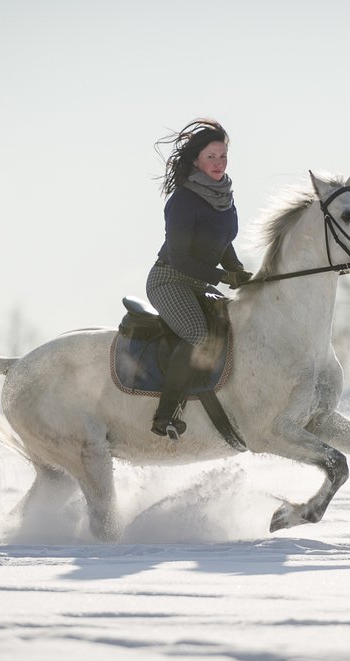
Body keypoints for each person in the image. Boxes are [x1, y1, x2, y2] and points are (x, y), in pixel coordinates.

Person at [146, 118, 253, 439]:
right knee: (200, 336)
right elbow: (179, 257)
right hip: (169, 280)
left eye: (222, 157)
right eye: (211, 157)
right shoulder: (182, 201)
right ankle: (164, 417)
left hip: (198, 282)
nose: (219, 164)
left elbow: (222, 242)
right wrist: (221, 276)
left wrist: (238, 271)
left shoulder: (224, 195)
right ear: (196, 160)